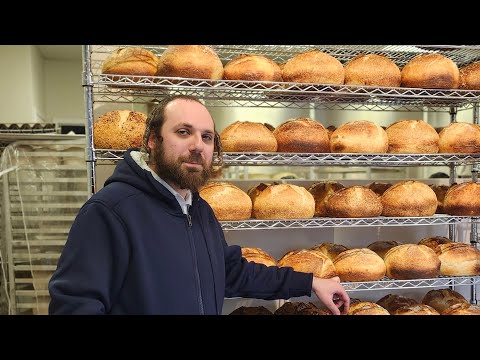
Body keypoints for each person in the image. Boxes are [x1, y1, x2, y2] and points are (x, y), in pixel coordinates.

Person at [48, 94, 350, 315]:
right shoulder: (109, 212)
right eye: (183, 132)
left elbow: (232, 273)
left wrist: (310, 282)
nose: (197, 146)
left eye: (206, 137)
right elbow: (74, 306)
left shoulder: (198, 209)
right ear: (153, 140)